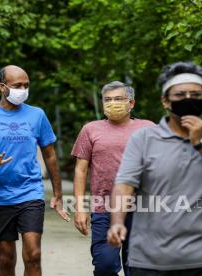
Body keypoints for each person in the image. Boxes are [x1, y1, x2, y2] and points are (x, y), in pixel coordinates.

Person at [107, 61, 202, 276]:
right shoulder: (143, 139)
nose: (188, 100)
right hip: (151, 262)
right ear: (166, 101)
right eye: (180, 95)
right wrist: (117, 222)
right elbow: (124, 186)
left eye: (196, 94)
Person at [0, 65, 70, 276]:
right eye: (17, 85)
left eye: (26, 85)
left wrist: (57, 194)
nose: (23, 89)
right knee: (5, 259)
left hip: (29, 193)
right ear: (3, 87)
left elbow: (49, 155)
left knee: (34, 254)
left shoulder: (37, 115)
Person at [71, 81, 154, 276]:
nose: (112, 103)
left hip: (142, 209)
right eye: (108, 100)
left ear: (131, 103)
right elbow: (80, 171)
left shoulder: (148, 128)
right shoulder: (90, 129)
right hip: (103, 208)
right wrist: (80, 208)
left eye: (118, 99)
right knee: (105, 265)